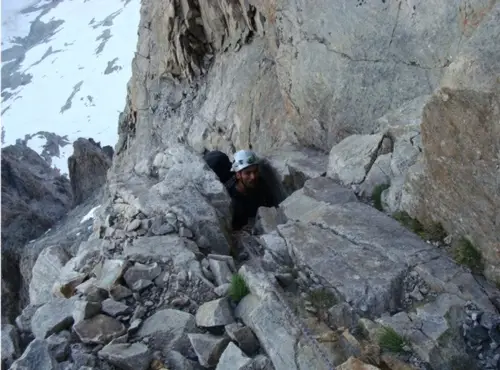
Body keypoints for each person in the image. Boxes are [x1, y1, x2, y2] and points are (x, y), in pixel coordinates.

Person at [225, 149, 274, 231]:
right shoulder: (230, 198)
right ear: (238, 175)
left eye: (255, 171)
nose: (253, 177)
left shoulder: (260, 184)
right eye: (247, 173)